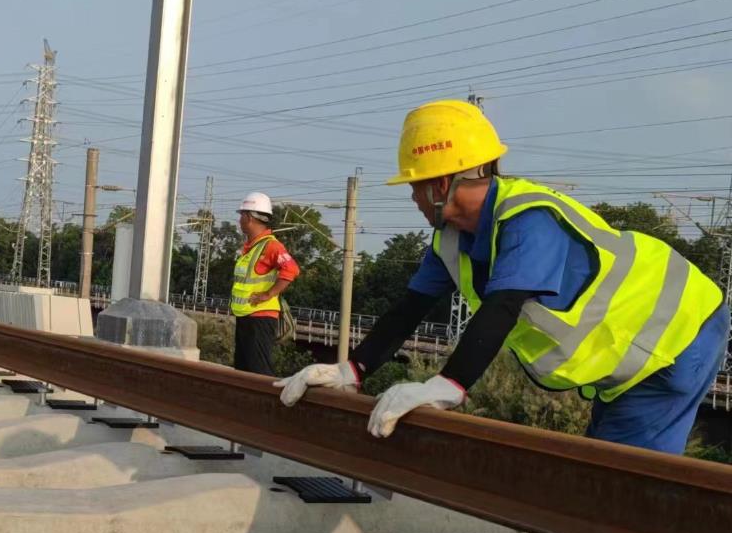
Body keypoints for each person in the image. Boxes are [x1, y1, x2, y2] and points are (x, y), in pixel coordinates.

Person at [274, 99, 728, 454]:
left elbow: (504, 305)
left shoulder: (530, 218)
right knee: (605, 470)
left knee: (625, 482)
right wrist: (352, 368)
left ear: (440, 184)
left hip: (681, 335)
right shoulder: (451, 241)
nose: (411, 197)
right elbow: (410, 308)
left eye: (413, 185)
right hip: (634, 353)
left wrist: (444, 387)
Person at [230, 192, 299, 377]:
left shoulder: (271, 246)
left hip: (260, 317)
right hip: (246, 315)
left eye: (242, 215)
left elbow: (291, 269)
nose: (239, 220)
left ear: (249, 217)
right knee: (243, 371)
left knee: (258, 371)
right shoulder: (252, 247)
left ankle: (265, 405)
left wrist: (268, 294)